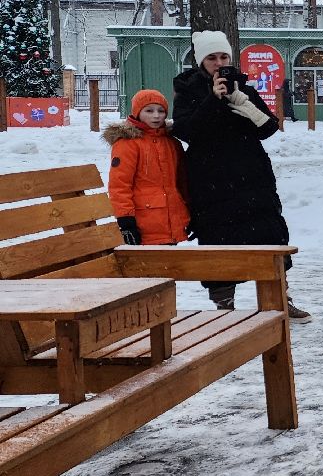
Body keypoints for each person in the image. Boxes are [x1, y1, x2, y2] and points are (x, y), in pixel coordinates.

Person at [171, 31, 311, 323]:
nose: (218, 62)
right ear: (201, 61)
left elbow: (267, 129)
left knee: (269, 234)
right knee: (218, 240)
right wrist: (212, 100)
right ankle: (224, 306)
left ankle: (279, 298)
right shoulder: (187, 90)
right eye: (212, 57)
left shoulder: (243, 86)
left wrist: (243, 103)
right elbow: (186, 131)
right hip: (210, 178)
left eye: (223, 57)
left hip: (251, 175)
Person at [104, 89, 190, 246]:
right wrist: (125, 220)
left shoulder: (172, 143)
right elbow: (120, 185)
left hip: (171, 221)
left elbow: (182, 183)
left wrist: (188, 212)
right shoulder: (128, 144)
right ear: (137, 112)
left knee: (170, 268)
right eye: (149, 111)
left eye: (161, 111)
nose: (156, 116)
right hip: (144, 223)